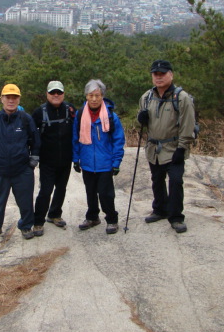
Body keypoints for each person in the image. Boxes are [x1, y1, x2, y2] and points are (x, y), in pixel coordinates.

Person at [136, 60, 195, 233]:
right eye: (156, 74)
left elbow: (188, 124)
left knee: (175, 181)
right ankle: (160, 209)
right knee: (157, 179)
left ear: (171, 75)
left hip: (174, 147)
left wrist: (182, 148)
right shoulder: (146, 97)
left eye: (162, 74)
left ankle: (176, 217)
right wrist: (141, 119)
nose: (159, 77)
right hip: (154, 148)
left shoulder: (181, 98)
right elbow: (142, 121)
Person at [0, 84, 41, 240]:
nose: (11, 100)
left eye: (15, 97)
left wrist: (32, 162)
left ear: (19, 99)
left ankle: (26, 226)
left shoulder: (26, 119)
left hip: (22, 170)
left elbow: (35, 142)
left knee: (25, 201)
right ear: (2, 99)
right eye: (8, 97)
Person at [72, 79, 125, 234]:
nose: (94, 99)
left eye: (97, 95)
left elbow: (118, 140)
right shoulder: (80, 115)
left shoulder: (111, 116)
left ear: (102, 96)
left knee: (106, 193)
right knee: (90, 192)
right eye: (91, 95)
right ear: (86, 96)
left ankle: (112, 219)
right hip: (87, 161)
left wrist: (116, 162)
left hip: (105, 162)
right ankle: (92, 217)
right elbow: (75, 138)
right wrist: (75, 159)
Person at [31, 80, 76, 236]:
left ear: (63, 94)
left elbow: (78, 130)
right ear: (47, 94)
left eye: (59, 92)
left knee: (61, 189)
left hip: (66, 159)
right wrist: (33, 154)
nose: (56, 95)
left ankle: (55, 214)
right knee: (45, 191)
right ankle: (38, 221)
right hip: (47, 161)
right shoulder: (39, 112)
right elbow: (31, 135)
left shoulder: (70, 109)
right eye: (52, 92)